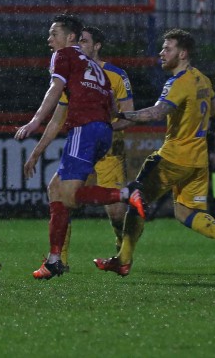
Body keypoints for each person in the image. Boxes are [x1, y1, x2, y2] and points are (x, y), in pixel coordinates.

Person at [89, 28, 215, 276]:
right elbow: (214, 110)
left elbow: (156, 113)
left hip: (173, 156)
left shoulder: (177, 82)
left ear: (182, 54)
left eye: (167, 48)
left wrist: (118, 115)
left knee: (136, 199)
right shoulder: (202, 79)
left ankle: (123, 260)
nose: (161, 53)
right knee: (186, 212)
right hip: (197, 159)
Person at [15, 14, 144, 280]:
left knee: (70, 196)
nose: (49, 40)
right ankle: (54, 260)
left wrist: (34, 121)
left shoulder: (64, 56)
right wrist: (37, 152)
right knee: (56, 189)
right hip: (102, 132)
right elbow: (108, 103)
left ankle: (126, 193)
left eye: (54, 34)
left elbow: (54, 89)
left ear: (70, 37)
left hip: (84, 130)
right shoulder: (96, 69)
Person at [58, 26, 136, 269]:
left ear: (97, 45)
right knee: (62, 197)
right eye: (78, 41)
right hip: (81, 144)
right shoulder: (72, 73)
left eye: (85, 41)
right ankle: (58, 259)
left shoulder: (116, 75)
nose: (80, 45)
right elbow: (61, 111)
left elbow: (128, 115)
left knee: (115, 214)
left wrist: (102, 127)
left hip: (108, 148)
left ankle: (120, 242)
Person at [145, 113, 215, 221]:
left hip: (206, 156)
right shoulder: (194, 114)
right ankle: (153, 211)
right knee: (174, 182)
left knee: (212, 185)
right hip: (190, 155)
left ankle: (214, 214)